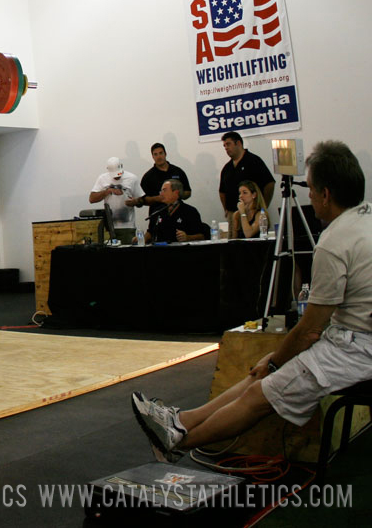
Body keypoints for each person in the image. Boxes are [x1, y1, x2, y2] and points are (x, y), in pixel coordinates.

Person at [131, 140, 372, 462]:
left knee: (261, 390)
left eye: (311, 189)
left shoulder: (334, 241)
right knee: (260, 373)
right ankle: (181, 421)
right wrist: (274, 359)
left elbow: (310, 330)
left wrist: (275, 360)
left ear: (326, 194)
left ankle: (174, 444)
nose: (309, 196)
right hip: (352, 341)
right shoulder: (365, 220)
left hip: (355, 350)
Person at [218, 131, 275, 220]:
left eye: (228, 144)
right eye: (224, 146)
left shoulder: (254, 161)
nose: (226, 148)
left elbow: (269, 184)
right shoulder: (227, 168)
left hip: (252, 212)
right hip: (233, 213)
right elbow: (222, 191)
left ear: (238, 143)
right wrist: (226, 209)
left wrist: (264, 206)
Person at [89, 157, 144, 244]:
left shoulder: (132, 178)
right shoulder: (103, 178)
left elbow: (142, 200)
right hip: (109, 227)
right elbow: (92, 198)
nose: (117, 177)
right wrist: (108, 191)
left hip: (127, 227)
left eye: (118, 175)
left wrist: (136, 202)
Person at [144, 179, 205, 244]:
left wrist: (188, 237)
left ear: (176, 192)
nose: (161, 194)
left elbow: (202, 236)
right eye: (161, 191)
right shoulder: (158, 211)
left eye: (164, 190)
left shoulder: (190, 211)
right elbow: (150, 232)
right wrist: (141, 240)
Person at [139, 143, 192, 215]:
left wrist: (177, 194)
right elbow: (142, 200)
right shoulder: (148, 177)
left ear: (165, 154)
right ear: (152, 157)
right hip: (157, 215)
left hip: (178, 213)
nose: (159, 157)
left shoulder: (178, 171)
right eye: (155, 154)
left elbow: (188, 192)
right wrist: (157, 198)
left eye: (161, 153)